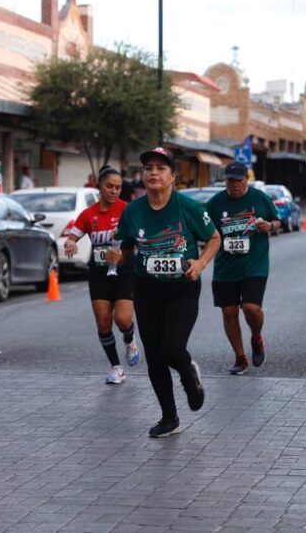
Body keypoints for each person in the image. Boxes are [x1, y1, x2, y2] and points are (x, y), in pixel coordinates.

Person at [108, 147, 221, 438]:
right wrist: (115, 255)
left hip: (182, 289)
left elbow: (214, 238)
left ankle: (188, 374)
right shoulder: (133, 211)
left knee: (172, 348)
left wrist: (201, 262)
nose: (153, 173)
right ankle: (169, 418)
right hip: (147, 290)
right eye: (148, 168)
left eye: (160, 168)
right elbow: (124, 247)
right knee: (155, 357)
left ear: (173, 176)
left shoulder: (189, 208)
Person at [65, 165, 139, 385]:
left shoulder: (128, 210)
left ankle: (130, 340)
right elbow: (74, 235)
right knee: (104, 322)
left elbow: (137, 238)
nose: (114, 191)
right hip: (99, 273)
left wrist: (124, 253)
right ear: (99, 186)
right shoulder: (89, 214)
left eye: (118, 187)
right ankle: (116, 367)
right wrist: (70, 243)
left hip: (124, 271)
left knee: (123, 319)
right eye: (109, 186)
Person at [206, 161, 281, 375]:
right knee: (229, 312)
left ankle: (256, 338)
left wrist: (270, 226)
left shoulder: (260, 198)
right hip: (225, 267)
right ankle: (240, 357)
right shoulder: (215, 203)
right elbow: (205, 231)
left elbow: (278, 221)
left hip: (254, 264)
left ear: (246, 179)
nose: (234, 185)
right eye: (229, 181)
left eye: (238, 180)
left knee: (251, 308)